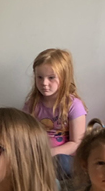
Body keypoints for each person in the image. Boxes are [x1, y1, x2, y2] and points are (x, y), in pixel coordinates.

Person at [23, 48, 87, 181]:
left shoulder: (74, 105)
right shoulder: (32, 104)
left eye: (51, 78)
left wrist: (50, 153)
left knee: (60, 162)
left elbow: (76, 143)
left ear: (64, 78)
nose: (44, 83)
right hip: (36, 154)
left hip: (64, 158)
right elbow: (23, 134)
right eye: (39, 77)